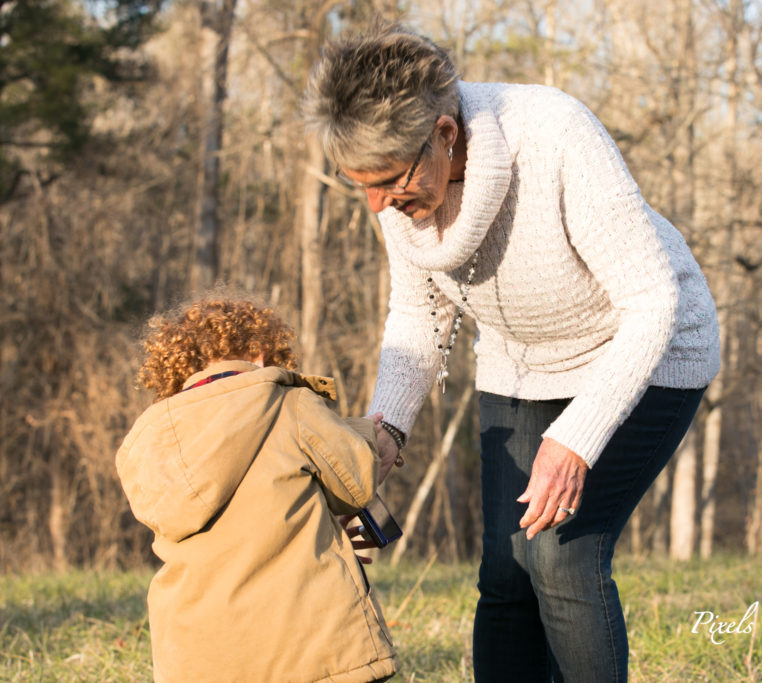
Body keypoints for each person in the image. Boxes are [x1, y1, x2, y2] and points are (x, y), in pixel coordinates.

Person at [303, 23, 720, 683]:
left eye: (387, 181)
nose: (378, 204)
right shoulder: (399, 190)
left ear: (444, 134)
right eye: (361, 184)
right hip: (523, 361)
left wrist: (576, 438)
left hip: (648, 351)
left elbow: (653, 304)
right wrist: (380, 438)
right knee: (505, 570)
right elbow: (418, 314)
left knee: (559, 557)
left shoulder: (553, 135)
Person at [116, 296, 399, 683]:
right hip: (312, 649)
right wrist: (368, 433)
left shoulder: (149, 441)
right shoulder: (289, 404)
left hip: (195, 661)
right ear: (261, 354)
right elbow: (355, 483)